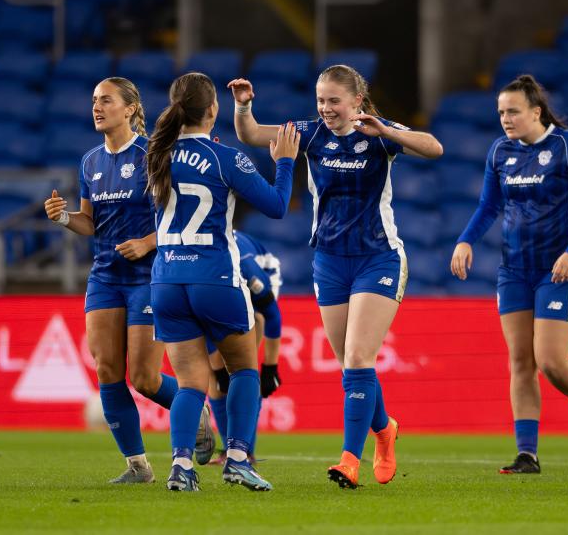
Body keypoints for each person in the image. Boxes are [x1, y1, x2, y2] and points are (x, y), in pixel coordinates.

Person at [230, 64, 443, 489]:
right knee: (351, 365)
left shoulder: (377, 133)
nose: (325, 108)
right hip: (329, 262)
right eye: (321, 101)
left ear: (356, 103)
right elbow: (252, 134)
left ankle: (349, 459)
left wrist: (389, 133)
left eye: (333, 101)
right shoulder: (310, 134)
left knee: (360, 359)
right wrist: (242, 107)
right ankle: (384, 431)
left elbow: (434, 148)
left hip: (378, 259)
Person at [43, 76, 213, 484]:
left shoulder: (154, 155)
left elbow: (183, 217)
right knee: (106, 370)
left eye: (106, 100)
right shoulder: (90, 162)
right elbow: (90, 222)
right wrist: (65, 217)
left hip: (148, 277)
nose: (96, 108)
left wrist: (148, 242)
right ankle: (138, 466)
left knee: (144, 377)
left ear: (131, 109)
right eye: (93, 100)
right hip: (105, 277)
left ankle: (196, 409)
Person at [449, 74, 568, 475]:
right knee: (520, 361)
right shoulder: (500, 151)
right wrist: (465, 240)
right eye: (501, 112)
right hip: (514, 271)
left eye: (514, 112)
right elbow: (489, 206)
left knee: (552, 361)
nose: (506, 119)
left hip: (558, 269)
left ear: (536, 112)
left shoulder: (567, 145)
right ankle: (528, 454)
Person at [145, 72, 299, 492]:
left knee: (193, 383)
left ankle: (180, 466)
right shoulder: (225, 158)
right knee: (244, 368)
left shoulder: (156, 155)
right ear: (213, 109)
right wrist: (284, 160)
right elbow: (277, 206)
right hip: (215, 277)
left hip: (167, 280)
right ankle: (237, 459)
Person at [206, 230, 284, 463]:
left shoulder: (246, 267)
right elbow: (205, 323)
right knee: (215, 382)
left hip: (262, 279)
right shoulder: (201, 267)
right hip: (217, 288)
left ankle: (246, 450)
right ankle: (231, 449)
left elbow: (271, 315)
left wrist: (270, 368)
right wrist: (218, 371)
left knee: (244, 367)